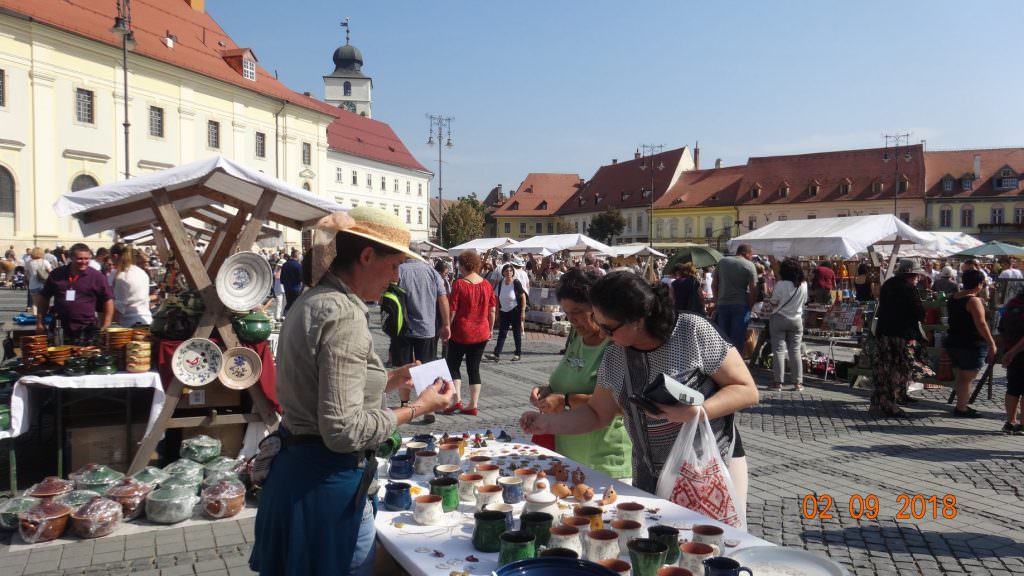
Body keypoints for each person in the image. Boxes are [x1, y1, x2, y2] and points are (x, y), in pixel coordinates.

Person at [251, 207, 454, 576]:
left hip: (301, 475)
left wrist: (391, 380)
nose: (395, 279)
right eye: (393, 266)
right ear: (365, 256)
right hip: (325, 486)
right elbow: (343, 430)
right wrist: (417, 408)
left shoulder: (314, 299)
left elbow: (322, 382)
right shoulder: (343, 314)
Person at [519, 271, 759, 510]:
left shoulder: (692, 331)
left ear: (638, 319)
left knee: (715, 542)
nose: (602, 334)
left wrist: (699, 411)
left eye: (609, 328)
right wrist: (546, 423)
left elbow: (746, 390)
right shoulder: (615, 353)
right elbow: (597, 413)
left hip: (710, 463)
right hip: (650, 473)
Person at [528, 269, 632, 477]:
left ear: (597, 308)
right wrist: (547, 391)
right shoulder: (578, 336)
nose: (572, 320)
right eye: (567, 312)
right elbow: (569, 379)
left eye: (577, 312)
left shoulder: (616, 344)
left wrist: (565, 400)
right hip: (567, 455)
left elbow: (621, 404)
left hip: (604, 460)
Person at [395, 257, 451, 424]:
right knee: (427, 370)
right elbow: (443, 300)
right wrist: (446, 324)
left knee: (404, 370)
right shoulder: (433, 273)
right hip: (426, 328)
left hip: (402, 328)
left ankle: (405, 405)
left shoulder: (399, 270)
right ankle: (429, 409)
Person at [441, 251, 496, 416]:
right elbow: (492, 310)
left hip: (461, 332)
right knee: (474, 368)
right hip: (481, 332)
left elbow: (453, 310)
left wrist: (447, 327)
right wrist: (491, 329)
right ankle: (473, 404)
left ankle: (456, 399)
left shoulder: (459, 284)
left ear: (463, 265)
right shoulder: (487, 284)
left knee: (453, 365)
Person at [871, 259, 928, 417]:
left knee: (883, 369)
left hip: (884, 332)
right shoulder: (909, 289)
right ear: (912, 275)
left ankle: (879, 402)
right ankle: (891, 405)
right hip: (902, 335)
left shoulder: (888, 284)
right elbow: (920, 313)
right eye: (917, 276)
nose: (917, 279)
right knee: (899, 369)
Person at [36, 243, 113, 344]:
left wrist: (106, 325)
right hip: (60, 327)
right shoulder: (57, 274)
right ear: (71, 258)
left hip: (86, 328)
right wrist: (40, 323)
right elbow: (44, 298)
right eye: (80, 259)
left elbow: (108, 300)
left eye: (86, 259)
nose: (84, 262)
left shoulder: (97, 276)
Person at [945, 269, 996, 418]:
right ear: (979, 284)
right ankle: (962, 407)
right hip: (971, 344)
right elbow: (981, 324)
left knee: (963, 376)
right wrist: (992, 343)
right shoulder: (973, 300)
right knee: (968, 377)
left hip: (954, 341)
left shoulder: (953, 298)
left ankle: (961, 405)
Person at [766, 258, 808, 392]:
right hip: (796, 319)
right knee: (795, 351)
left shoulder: (781, 284)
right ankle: (798, 383)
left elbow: (773, 302)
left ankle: (778, 383)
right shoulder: (804, 285)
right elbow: (804, 302)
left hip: (779, 318)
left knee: (778, 350)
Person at [712, 244, 757, 347]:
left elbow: (714, 284)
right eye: (751, 254)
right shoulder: (749, 265)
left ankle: (723, 362)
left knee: (723, 338)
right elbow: (753, 289)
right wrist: (750, 306)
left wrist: (716, 300)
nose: (751, 257)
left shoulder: (722, 262)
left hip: (722, 304)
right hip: (741, 305)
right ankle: (736, 362)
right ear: (746, 253)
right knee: (737, 339)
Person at [485, 264, 527, 362]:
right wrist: (497, 312)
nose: (509, 273)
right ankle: (496, 354)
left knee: (516, 333)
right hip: (504, 311)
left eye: (510, 271)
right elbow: (497, 298)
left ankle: (518, 353)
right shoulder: (501, 283)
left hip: (515, 310)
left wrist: (523, 311)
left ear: (513, 272)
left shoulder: (516, 282)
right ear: (503, 272)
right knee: (502, 333)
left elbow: (523, 296)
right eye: (506, 271)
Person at [998, 289, 1024, 434]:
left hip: (1010, 351)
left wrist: (1007, 352)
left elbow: (1001, 329)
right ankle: (1022, 425)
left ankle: (1010, 422)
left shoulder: (1011, 304)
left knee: (1013, 388)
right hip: (1017, 351)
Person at [108, 243, 153, 326]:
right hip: (146, 320)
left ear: (115, 256)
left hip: (128, 325)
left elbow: (119, 308)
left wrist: (111, 327)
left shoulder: (121, 277)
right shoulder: (141, 272)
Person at [25, 247, 52, 315]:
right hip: (44, 285)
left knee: (35, 304)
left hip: (33, 284)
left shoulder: (28, 262)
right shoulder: (45, 262)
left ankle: (35, 318)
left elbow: (26, 274)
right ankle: (44, 316)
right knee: (45, 302)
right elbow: (51, 272)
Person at [280, 249, 303, 314]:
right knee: (296, 303)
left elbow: (282, 277)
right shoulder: (298, 265)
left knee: (289, 302)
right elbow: (301, 277)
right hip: (295, 287)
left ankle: (285, 314)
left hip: (286, 287)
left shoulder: (285, 264)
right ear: (297, 256)